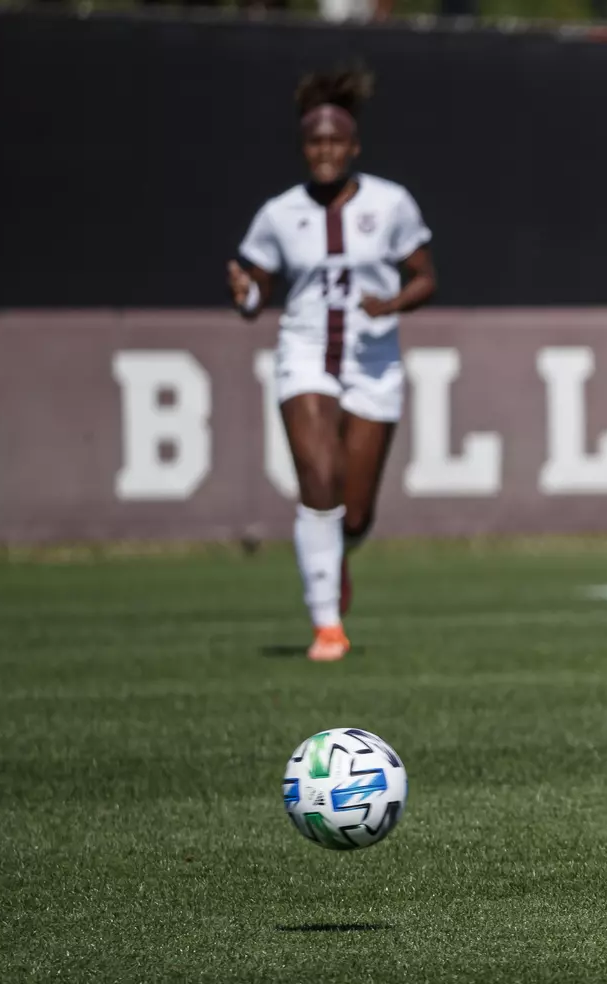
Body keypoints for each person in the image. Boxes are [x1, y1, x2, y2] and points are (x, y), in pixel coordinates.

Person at [227, 66, 436, 661]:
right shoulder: (279, 214)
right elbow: (254, 291)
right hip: (306, 353)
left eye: (335, 141)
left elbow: (426, 277)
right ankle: (326, 626)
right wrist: (243, 293)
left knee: (355, 513)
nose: (324, 151)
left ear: (354, 146)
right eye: (314, 142)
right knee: (317, 483)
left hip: (373, 362)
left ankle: (337, 558)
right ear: (303, 147)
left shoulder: (390, 202)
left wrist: (391, 302)